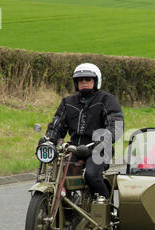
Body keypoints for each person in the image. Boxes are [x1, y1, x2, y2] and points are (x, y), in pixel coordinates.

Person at [38, 63, 124, 198]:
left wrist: (105, 138)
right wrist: (49, 139)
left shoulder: (107, 99)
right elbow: (57, 125)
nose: (84, 82)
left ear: (96, 81)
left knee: (91, 175)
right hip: (74, 148)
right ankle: (68, 207)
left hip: (98, 148)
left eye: (88, 79)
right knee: (57, 175)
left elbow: (116, 124)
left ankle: (105, 205)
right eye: (80, 80)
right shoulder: (68, 102)